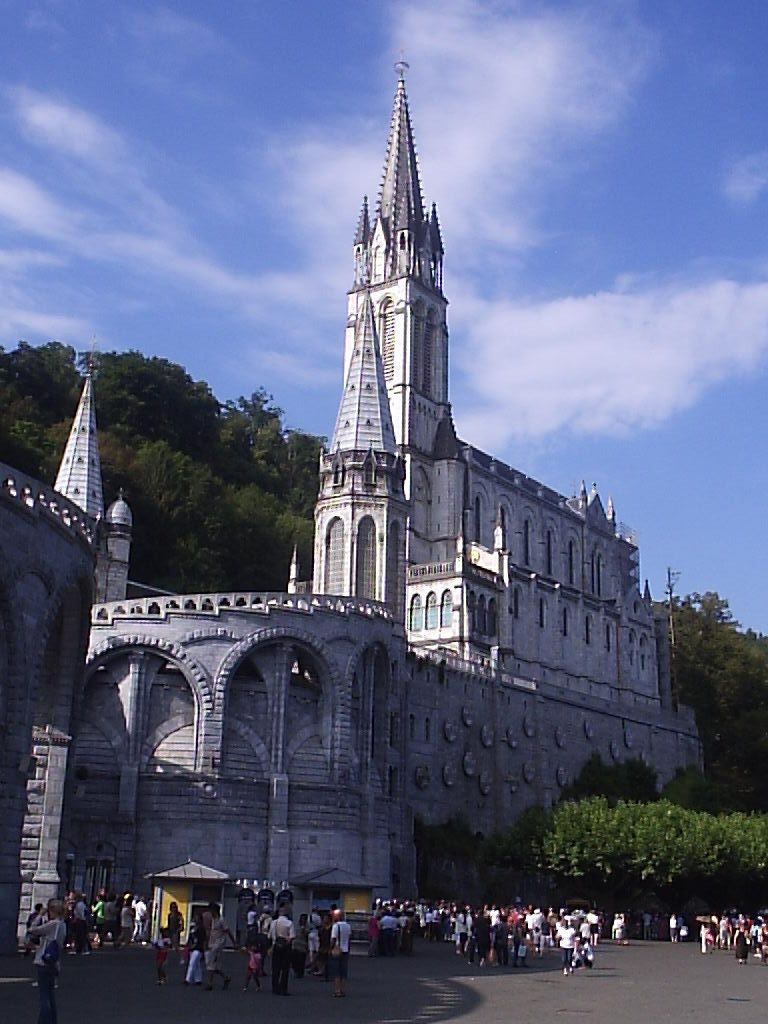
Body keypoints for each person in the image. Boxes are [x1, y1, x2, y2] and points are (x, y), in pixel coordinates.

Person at [29, 898, 67, 1024]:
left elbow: (32, 929)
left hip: (44, 961)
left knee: (44, 996)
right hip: (54, 962)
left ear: (51, 910)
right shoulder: (62, 924)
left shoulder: (53, 924)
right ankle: (52, 1020)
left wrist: (39, 915)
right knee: (50, 995)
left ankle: (44, 1021)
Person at [204, 903, 234, 990]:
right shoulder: (213, 920)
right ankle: (226, 978)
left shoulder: (221, 920)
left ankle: (210, 984)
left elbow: (228, 931)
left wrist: (234, 942)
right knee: (214, 965)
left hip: (218, 944)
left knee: (211, 964)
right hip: (212, 943)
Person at [269, 904, 295, 995]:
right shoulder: (289, 923)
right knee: (285, 968)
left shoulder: (274, 922)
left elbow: (271, 935)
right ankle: (283, 988)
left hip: (277, 944)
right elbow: (292, 937)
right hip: (286, 946)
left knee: (275, 968)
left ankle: (275, 988)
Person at [329, 908, 352, 998]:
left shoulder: (336, 926)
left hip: (337, 950)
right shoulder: (348, 926)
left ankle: (337, 990)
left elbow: (333, 939)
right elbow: (349, 939)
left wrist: (330, 948)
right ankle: (342, 989)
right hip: (345, 950)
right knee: (343, 972)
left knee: (336, 972)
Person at [184, 911, 206, 986]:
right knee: (196, 964)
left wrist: (204, 950)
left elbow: (203, 940)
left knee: (192, 963)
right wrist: (187, 944)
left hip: (198, 948)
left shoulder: (202, 929)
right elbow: (190, 937)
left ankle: (188, 979)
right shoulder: (192, 928)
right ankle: (198, 979)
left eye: (197, 918)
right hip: (192, 947)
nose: (196, 919)